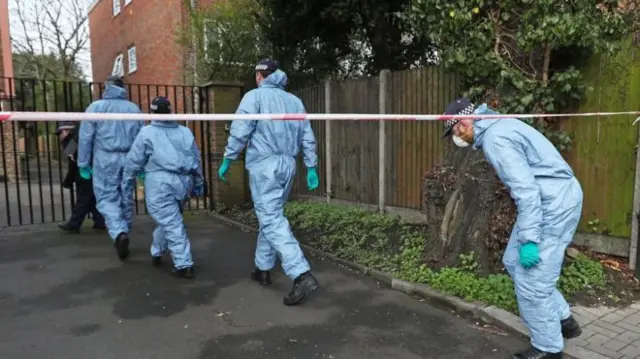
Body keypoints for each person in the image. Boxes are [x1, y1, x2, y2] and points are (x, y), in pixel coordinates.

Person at [442, 97, 583, 359]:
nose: (457, 138)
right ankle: (564, 320)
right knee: (512, 259)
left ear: (462, 124)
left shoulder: (496, 139)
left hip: (553, 202)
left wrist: (529, 240)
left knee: (532, 281)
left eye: (453, 132)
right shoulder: (499, 126)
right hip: (548, 197)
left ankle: (549, 349)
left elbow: (526, 192)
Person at [218, 58, 320, 306]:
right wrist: (311, 166)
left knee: (271, 217)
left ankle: (300, 273)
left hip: (265, 166)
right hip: (288, 166)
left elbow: (241, 129)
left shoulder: (254, 97)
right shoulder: (294, 101)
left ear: (259, 76)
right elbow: (307, 136)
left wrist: (228, 158)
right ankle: (262, 268)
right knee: (271, 214)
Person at [122, 96, 205, 278]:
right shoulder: (185, 132)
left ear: (152, 112)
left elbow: (134, 161)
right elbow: (196, 159)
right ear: (170, 110)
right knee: (170, 220)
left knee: (172, 223)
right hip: (183, 181)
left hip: (160, 182)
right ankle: (157, 251)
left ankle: (184, 264)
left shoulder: (146, 133)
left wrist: (127, 183)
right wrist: (199, 183)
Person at [77, 75, 143, 261]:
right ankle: (124, 230)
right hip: (130, 157)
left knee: (106, 197)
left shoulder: (96, 108)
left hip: (105, 158)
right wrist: (143, 164)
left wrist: (83, 163)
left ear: (106, 88)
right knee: (126, 197)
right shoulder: (134, 109)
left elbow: (85, 138)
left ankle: (119, 232)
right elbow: (141, 139)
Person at [56, 121, 106, 232]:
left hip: (85, 173)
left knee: (82, 200)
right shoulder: (82, 137)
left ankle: (73, 225)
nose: (59, 136)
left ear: (66, 131)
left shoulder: (71, 142)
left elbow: (73, 165)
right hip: (97, 171)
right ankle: (100, 221)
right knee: (92, 198)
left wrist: (68, 181)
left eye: (60, 133)